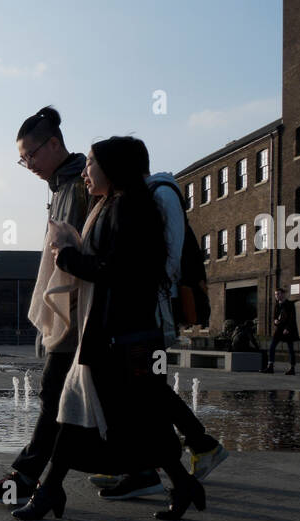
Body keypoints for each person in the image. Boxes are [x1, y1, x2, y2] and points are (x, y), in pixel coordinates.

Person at [13, 137, 205, 521]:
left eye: (91, 164)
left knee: (76, 411)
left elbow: (119, 274)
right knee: (138, 418)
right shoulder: (114, 206)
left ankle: (49, 490)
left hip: (121, 337)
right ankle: (183, 482)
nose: (85, 171)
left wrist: (68, 257)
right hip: (120, 334)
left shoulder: (127, 210)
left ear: (112, 169)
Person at [87, 140, 229, 501]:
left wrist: (141, 293)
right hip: (141, 315)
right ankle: (163, 462)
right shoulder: (133, 196)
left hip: (151, 314)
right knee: (147, 389)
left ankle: (180, 459)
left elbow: (165, 260)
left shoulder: (160, 193)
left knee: (147, 388)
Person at [0, 106, 90, 505]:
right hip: (70, 312)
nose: (27, 165)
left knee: (54, 392)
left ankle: (26, 478)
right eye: (22, 159)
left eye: (31, 155)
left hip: (80, 314)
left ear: (55, 144)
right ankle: (145, 467)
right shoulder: (60, 187)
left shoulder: (81, 185)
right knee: (78, 396)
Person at [262, 287, 299, 375]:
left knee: (290, 349)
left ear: (283, 294)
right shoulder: (277, 305)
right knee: (272, 347)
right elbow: (275, 317)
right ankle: (270, 366)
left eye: (278, 294)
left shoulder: (290, 304)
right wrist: (275, 321)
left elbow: (292, 318)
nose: (276, 296)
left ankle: (292, 368)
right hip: (279, 329)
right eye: (275, 294)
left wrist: (288, 328)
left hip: (288, 330)